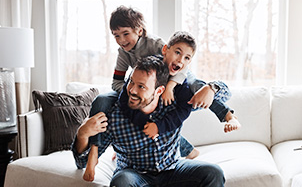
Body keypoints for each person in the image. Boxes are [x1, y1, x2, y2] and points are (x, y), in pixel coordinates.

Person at [83, 6, 238, 182]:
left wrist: (171, 86)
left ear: (139, 30)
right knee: (103, 99)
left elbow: (177, 65)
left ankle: (227, 115)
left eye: (125, 34)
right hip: (144, 92)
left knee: (197, 89)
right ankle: (94, 148)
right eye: (116, 35)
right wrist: (133, 91)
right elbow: (116, 82)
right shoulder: (123, 54)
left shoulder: (156, 45)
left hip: (174, 81)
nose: (121, 40)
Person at [72, 56, 225, 186]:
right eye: (131, 82)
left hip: (173, 169)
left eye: (141, 86)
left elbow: (225, 96)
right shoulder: (114, 116)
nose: (132, 90)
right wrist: (82, 135)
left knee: (213, 173)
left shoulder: (174, 105)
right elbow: (82, 163)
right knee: (121, 182)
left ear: (159, 91)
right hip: (134, 175)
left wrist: (212, 88)